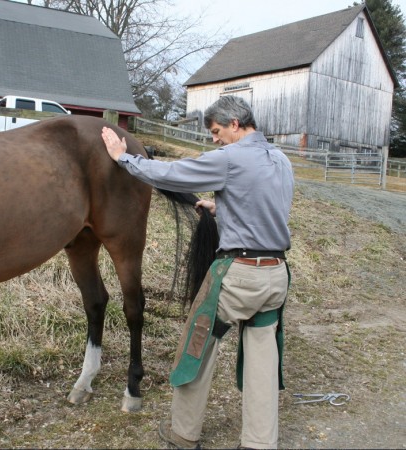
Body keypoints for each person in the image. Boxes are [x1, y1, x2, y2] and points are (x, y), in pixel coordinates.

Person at [101, 96, 294, 449]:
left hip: (238, 275)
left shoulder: (231, 158)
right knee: (263, 362)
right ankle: (260, 442)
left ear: (235, 124)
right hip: (276, 275)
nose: (215, 139)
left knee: (196, 348)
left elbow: (172, 173)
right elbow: (266, 205)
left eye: (218, 131)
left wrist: (123, 158)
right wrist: (220, 206)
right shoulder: (281, 159)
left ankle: (183, 434)